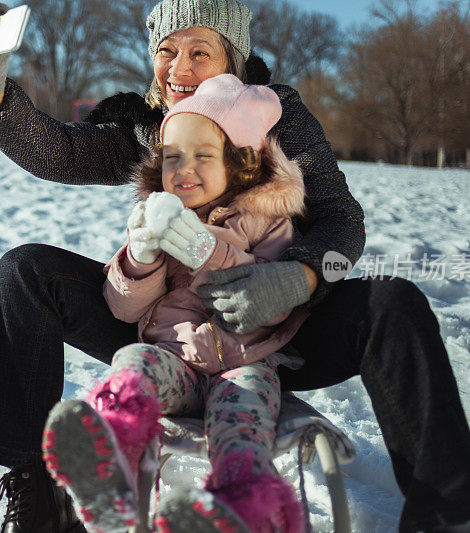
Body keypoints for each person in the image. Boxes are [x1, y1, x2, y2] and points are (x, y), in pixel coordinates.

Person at [0, 0, 470, 531]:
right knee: (25, 271)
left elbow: (343, 219)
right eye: (167, 50)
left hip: (278, 333)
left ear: (234, 60)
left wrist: (303, 275)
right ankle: (39, 492)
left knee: (394, 299)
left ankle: (447, 508)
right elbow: (58, 153)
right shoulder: (155, 128)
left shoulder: (278, 116)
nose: (180, 68)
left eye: (201, 52)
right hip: (170, 329)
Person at [42, 74, 306, 533]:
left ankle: (241, 508)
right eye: (172, 157)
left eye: (203, 155)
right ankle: (109, 464)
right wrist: (139, 259)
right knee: (133, 359)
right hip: (175, 365)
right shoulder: (157, 216)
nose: (184, 168)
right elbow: (123, 310)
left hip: (245, 364)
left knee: (240, 430)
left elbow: (275, 302)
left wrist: (210, 253)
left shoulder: (268, 220)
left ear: (239, 162)